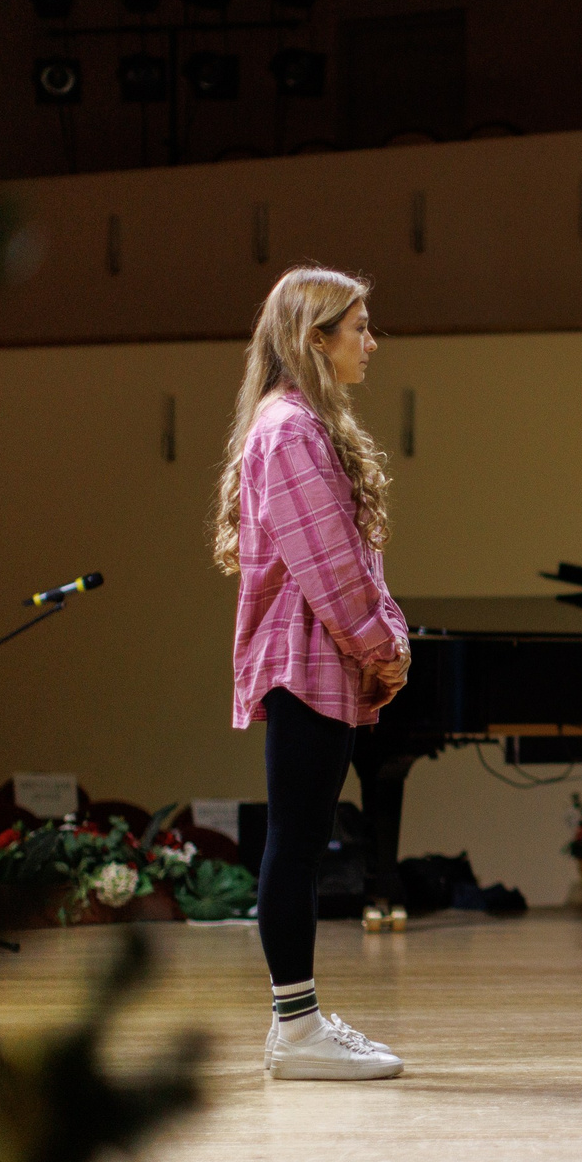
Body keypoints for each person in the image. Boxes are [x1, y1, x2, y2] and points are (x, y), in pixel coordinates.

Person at [214, 264, 408, 1082]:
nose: (371, 342)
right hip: (307, 658)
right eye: (359, 327)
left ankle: (297, 1024)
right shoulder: (289, 430)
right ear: (315, 339)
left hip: (322, 658)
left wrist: (384, 637)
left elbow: (351, 560)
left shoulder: (301, 426)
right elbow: (328, 567)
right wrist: (383, 648)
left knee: (299, 840)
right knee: (295, 844)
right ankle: (297, 1031)